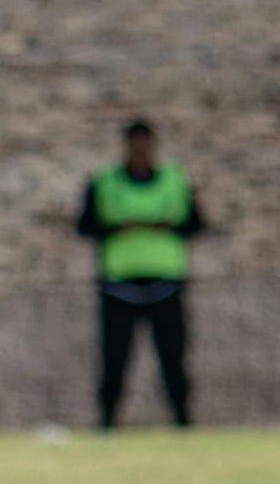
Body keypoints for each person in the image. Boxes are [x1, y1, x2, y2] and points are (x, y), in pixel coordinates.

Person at [78, 118, 204, 431]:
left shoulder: (175, 180)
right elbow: (85, 226)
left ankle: (183, 422)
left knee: (173, 358)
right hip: (119, 285)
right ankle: (107, 424)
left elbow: (196, 224)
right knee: (114, 360)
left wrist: (166, 227)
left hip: (166, 284)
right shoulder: (105, 182)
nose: (140, 152)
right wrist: (119, 228)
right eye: (134, 146)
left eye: (145, 146)